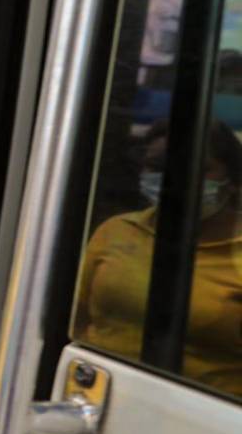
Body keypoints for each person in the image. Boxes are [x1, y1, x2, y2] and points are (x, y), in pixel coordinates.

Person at [75, 120, 242, 397]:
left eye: (197, 169)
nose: (173, 179)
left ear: (233, 181)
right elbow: (80, 320)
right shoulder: (116, 232)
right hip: (101, 398)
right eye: (157, 167)